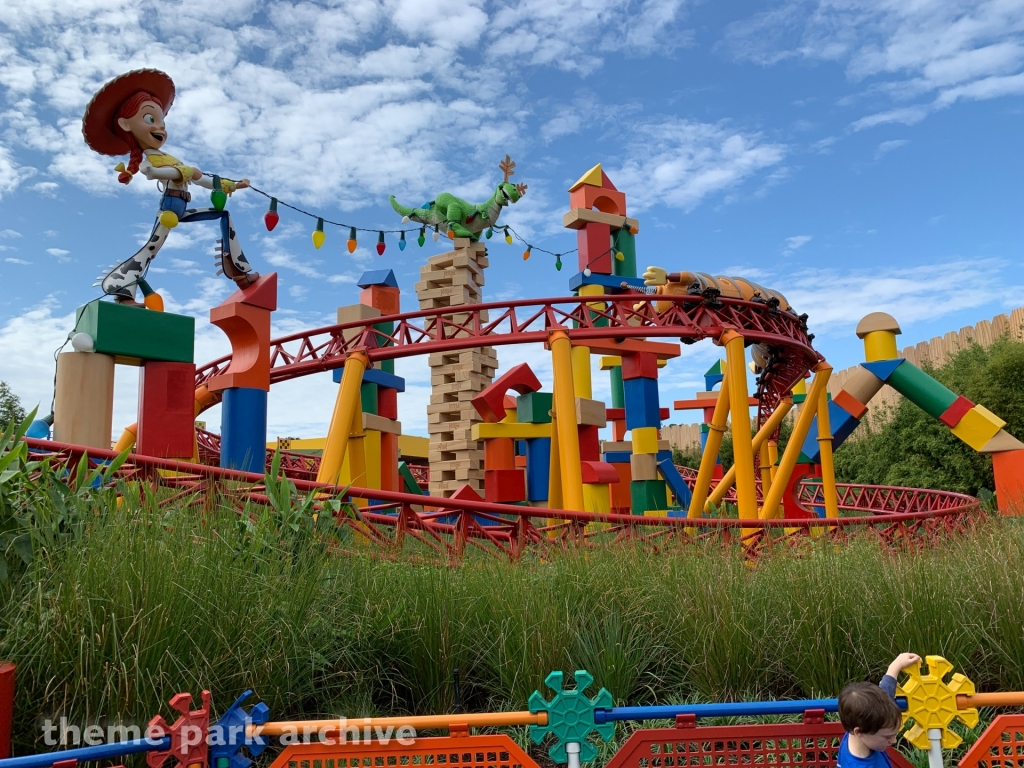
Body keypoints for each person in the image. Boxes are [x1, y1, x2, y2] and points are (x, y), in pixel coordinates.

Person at [81, 69, 258, 305]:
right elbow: (150, 172)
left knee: (222, 214)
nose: (160, 127)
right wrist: (184, 171)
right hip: (169, 210)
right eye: (150, 119)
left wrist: (233, 185)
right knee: (151, 250)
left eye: (161, 121)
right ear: (125, 124)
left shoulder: (170, 158)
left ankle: (237, 269)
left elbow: (203, 180)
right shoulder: (153, 159)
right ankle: (121, 288)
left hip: (181, 208)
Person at [837, 653, 921, 768]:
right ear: (859, 732)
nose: (894, 741)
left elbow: (884, 696)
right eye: (887, 737)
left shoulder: (859, 722)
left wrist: (896, 666)